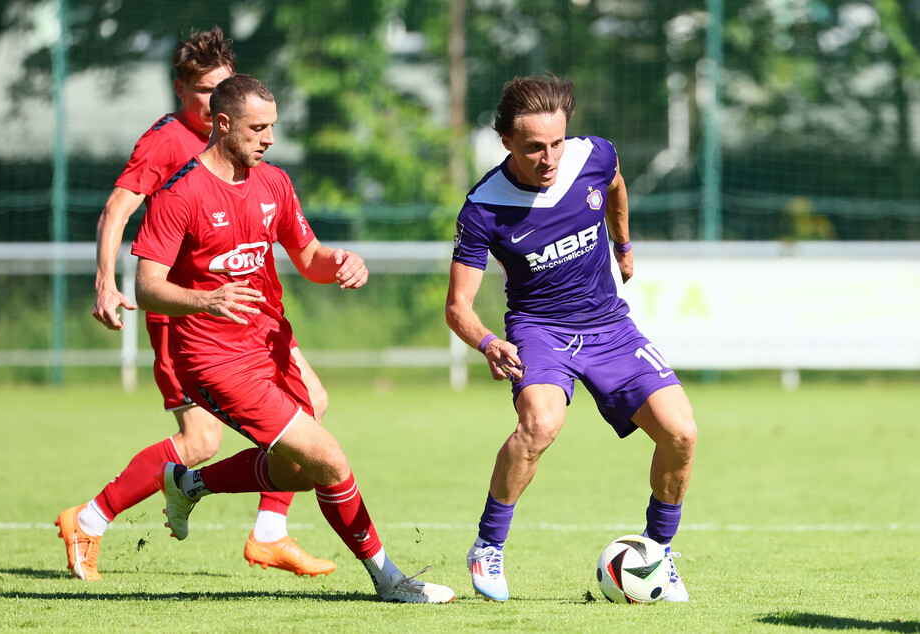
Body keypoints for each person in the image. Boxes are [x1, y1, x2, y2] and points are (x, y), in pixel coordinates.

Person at [130, 73, 454, 603]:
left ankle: (188, 484)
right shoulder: (180, 193)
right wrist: (205, 300)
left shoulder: (274, 183)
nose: (269, 138)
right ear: (224, 122)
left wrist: (342, 261)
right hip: (213, 359)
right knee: (328, 458)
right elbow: (147, 287)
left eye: (273, 127)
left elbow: (309, 258)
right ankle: (390, 579)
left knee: (297, 474)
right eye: (258, 128)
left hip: (271, 344)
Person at [56, 27, 334, 582]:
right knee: (201, 441)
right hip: (188, 316)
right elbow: (117, 208)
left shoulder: (245, 147)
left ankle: (270, 535)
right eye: (204, 91)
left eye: (223, 89)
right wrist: (105, 281)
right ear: (180, 89)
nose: (214, 102)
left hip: (247, 319)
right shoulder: (167, 142)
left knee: (312, 403)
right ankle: (88, 518)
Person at [445, 73, 697, 603]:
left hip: (609, 325)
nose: (549, 157)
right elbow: (457, 308)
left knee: (681, 432)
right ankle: (488, 546)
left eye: (557, 142)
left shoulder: (595, 156)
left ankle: (657, 554)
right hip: (540, 330)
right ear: (507, 142)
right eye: (534, 147)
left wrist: (623, 244)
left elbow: (615, 186)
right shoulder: (484, 208)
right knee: (540, 424)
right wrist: (489, 342)